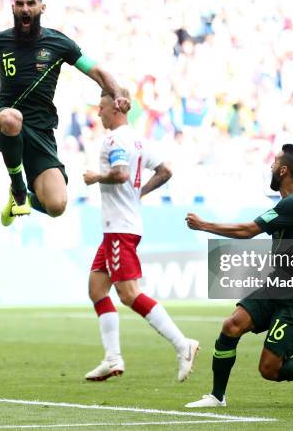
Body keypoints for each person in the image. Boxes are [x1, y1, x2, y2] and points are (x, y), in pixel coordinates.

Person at [184, 144, 293, 408]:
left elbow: (248, 230)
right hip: (278, 284)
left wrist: (204, 225)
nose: (271, 167)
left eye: (274, 163)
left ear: (284, 170)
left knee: (270, 370)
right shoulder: (290, 203)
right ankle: (217, 396)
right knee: (232, 325)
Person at [0, 0, 129, 226]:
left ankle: (23, 198)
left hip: (41, 131)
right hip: (3, 122)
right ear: (13, 8)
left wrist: (116, 94)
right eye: (20, 4)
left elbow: (96, 71)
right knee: (11, 118)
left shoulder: (59, 44)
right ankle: (19, 191)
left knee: (56, 206)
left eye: (31, 3)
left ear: (42, 7)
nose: (25, 9)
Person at [82, 89, 199, 382]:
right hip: (117, 227)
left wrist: (96, 177)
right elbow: (166, 171)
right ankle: (112, 358)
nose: (99, 113)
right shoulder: (139, 140)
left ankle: (182, 344)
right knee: (97, 289)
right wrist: (139, 194)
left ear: (116, 109)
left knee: (129, 294)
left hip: (120, 228)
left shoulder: (114, 140)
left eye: (102, 107)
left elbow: (120, 173)